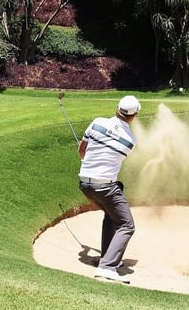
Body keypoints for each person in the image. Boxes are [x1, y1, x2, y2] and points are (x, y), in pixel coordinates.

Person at [77, 95, 141, 284]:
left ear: (116, 109)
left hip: (84, 184)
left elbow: (82, 152)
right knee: (127, 225)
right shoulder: (130, 141)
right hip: (104, 187)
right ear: (134, 116)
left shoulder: (97, 123)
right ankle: (107, 268)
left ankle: (108, 256)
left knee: (111, 214)